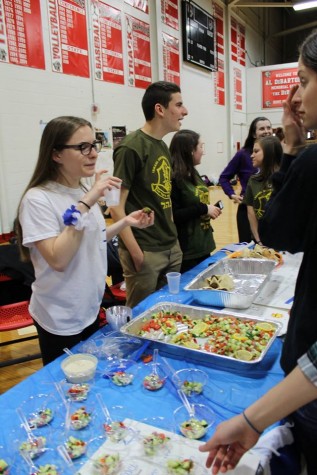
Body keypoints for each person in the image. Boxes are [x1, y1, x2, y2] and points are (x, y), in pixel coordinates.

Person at [199, 29, 317, 475]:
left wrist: (291, 148)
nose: (298, 97)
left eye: (304, 80)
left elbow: (279, 233)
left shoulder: (309, 161)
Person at [16, 116, 153, 365]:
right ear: (56, 154)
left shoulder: (80, 191)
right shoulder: (38, 199)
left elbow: (93, 239)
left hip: (89, 306)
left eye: (94, 144)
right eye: (82, 147)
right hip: (60, 316)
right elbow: (58, 258)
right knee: (69, 384)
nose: (92, 154)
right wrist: (89, 199)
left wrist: (125, 223)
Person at [110, 81, 188, 308]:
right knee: (140, 317)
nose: (185, 111)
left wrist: (173, 240)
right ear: (160, 109)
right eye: (179, 105)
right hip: (145, 250)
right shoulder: (131, 147)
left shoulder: (162, 146)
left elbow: (164, 199)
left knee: (168, 311)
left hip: (170, 246)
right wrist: (136, 253)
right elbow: (115, 206)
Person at [169, 129, 222, 272]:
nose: (203, 152)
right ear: (190, 150)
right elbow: (175, 215)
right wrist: (204, 209)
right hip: (188, 250)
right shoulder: (174, 178)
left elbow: (197, 202)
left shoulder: (193, 172)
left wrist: (209, 209)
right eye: (201, 147)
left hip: (203, 243)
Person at [218, 117, 272, 243]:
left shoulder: (277, 152)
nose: (266, 131)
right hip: (248, 210)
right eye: (262, 128)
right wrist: (232, 194)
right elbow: (224, 177)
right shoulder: (243, 154)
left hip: (270, 209)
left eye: (269, 128)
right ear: (254, 133)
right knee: (250, 248)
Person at [243, 135, 282, 245]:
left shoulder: (286, 178)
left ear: (268, 153)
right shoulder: (253, 180)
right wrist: (259, 241)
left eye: (256, 151)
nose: (251, 155)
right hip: (263, 241)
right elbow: (251, 213)